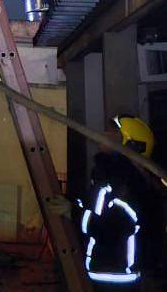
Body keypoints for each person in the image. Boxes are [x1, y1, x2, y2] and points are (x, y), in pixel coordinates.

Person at [79, 116, 158, 288]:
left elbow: (107, 227)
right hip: (106, 271)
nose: (103, 134)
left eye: (113, 133)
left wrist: (71, 212)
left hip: (115, 277)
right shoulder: (110, 176)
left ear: (129, 144)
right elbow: (93, 207)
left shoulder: (125, 184)